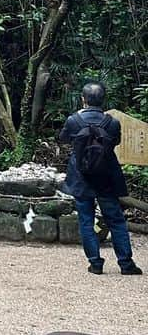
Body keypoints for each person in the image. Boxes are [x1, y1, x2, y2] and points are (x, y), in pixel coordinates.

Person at [59, 81, 142, 276]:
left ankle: (95, 263)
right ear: (103, 99)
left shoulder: (73, 121)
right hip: (106, 177)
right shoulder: (112, 122)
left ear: (83, 99)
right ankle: (126, 263)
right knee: (116, 220)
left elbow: (63, 138)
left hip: (81, 177)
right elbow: (117, 141)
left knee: (86, 220)